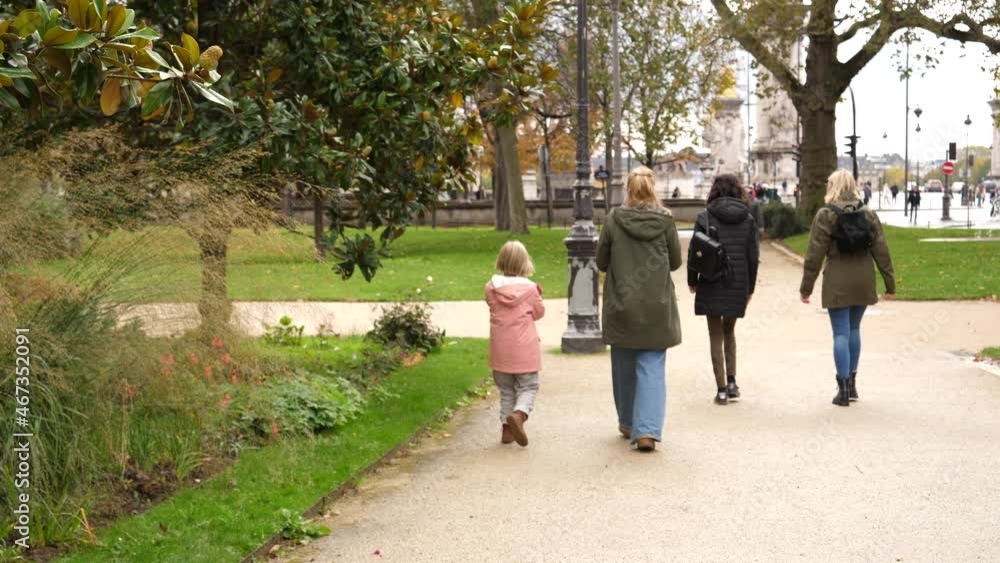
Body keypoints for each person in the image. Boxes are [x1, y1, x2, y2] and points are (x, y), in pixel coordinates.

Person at [597, 166, 682, 452]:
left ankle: (628, 422)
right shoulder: (666, 221)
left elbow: (601, 261)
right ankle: (646, 429)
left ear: (628, 189)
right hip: (657, 304)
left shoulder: (614, 220)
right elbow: (675, 262)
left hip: (622, 303)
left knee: (623, 363)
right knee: (652, 366)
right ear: (652, 188)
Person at [800, 170, 896, 407]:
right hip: (863, 277)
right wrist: (889, 283)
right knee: (854, 329)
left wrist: (806, 287)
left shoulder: (825, 215)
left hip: (837, 278)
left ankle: (842, 389)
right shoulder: (868, 214)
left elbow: (814, 254)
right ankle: (852, 384)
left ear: (832, 186)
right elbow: (882, 251)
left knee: (840, 332)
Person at [687, 174, 760, 405]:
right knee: (729, 330)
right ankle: (732, 382)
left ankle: (720, 389)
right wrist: (750, 287)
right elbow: (753, 256)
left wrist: (692, 279)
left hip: (711, 280)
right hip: (737, 282)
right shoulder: (747, 219)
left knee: (715, 334)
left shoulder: (705, 217)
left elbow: (695, 252)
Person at [485, 241, 545, 447]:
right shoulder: (531, 290)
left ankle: (507, 430)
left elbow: (492, 305)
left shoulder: (491, 288)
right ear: (525, 263)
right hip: (525, 350)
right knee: (528, 386)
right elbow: (538, 313)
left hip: (500, 350)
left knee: (507, 390)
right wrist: (538, 295)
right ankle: (519, 415)